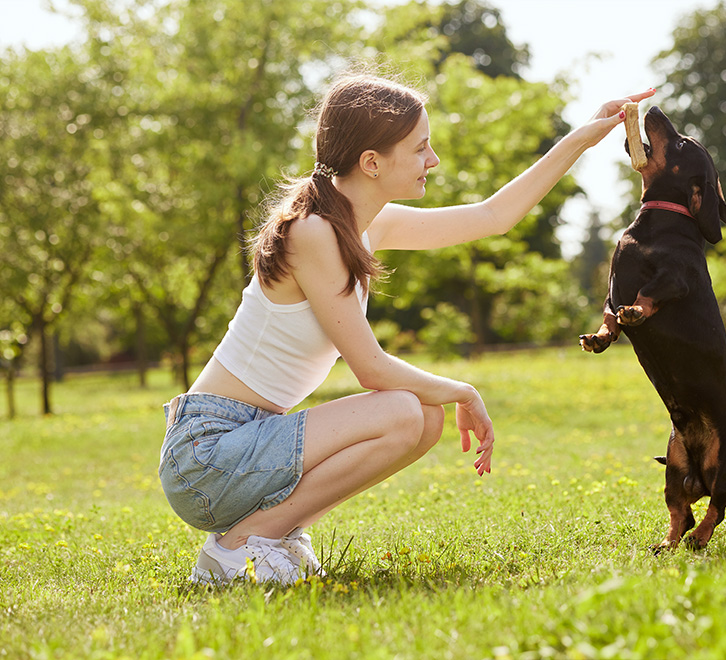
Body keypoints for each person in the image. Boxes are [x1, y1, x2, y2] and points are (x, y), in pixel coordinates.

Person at [159, 71, 655, 585]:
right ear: (371, 162)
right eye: (420, 148)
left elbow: (493, 216)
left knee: (423, 417)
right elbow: (371, 368)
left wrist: (583, 135)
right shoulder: (311, 231)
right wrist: (464, 390)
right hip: (207, 455)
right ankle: (238, 549)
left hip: (244, 444)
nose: (433, 160)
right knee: (402, 409)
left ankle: (274, 535)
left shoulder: (366, 224)